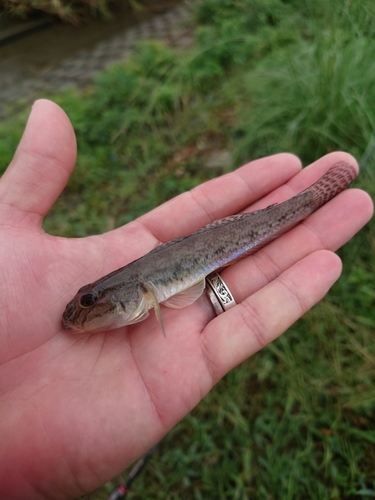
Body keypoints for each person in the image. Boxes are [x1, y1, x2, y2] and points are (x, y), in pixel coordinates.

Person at [0, 99, 372, 499]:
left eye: (91, 301)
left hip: (251, 230)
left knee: (293, 214)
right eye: (88, 301)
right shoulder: (130, 296)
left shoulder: (138, 290)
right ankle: (315, 197)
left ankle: (317, 196)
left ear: (126, 297)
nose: (84, 308)